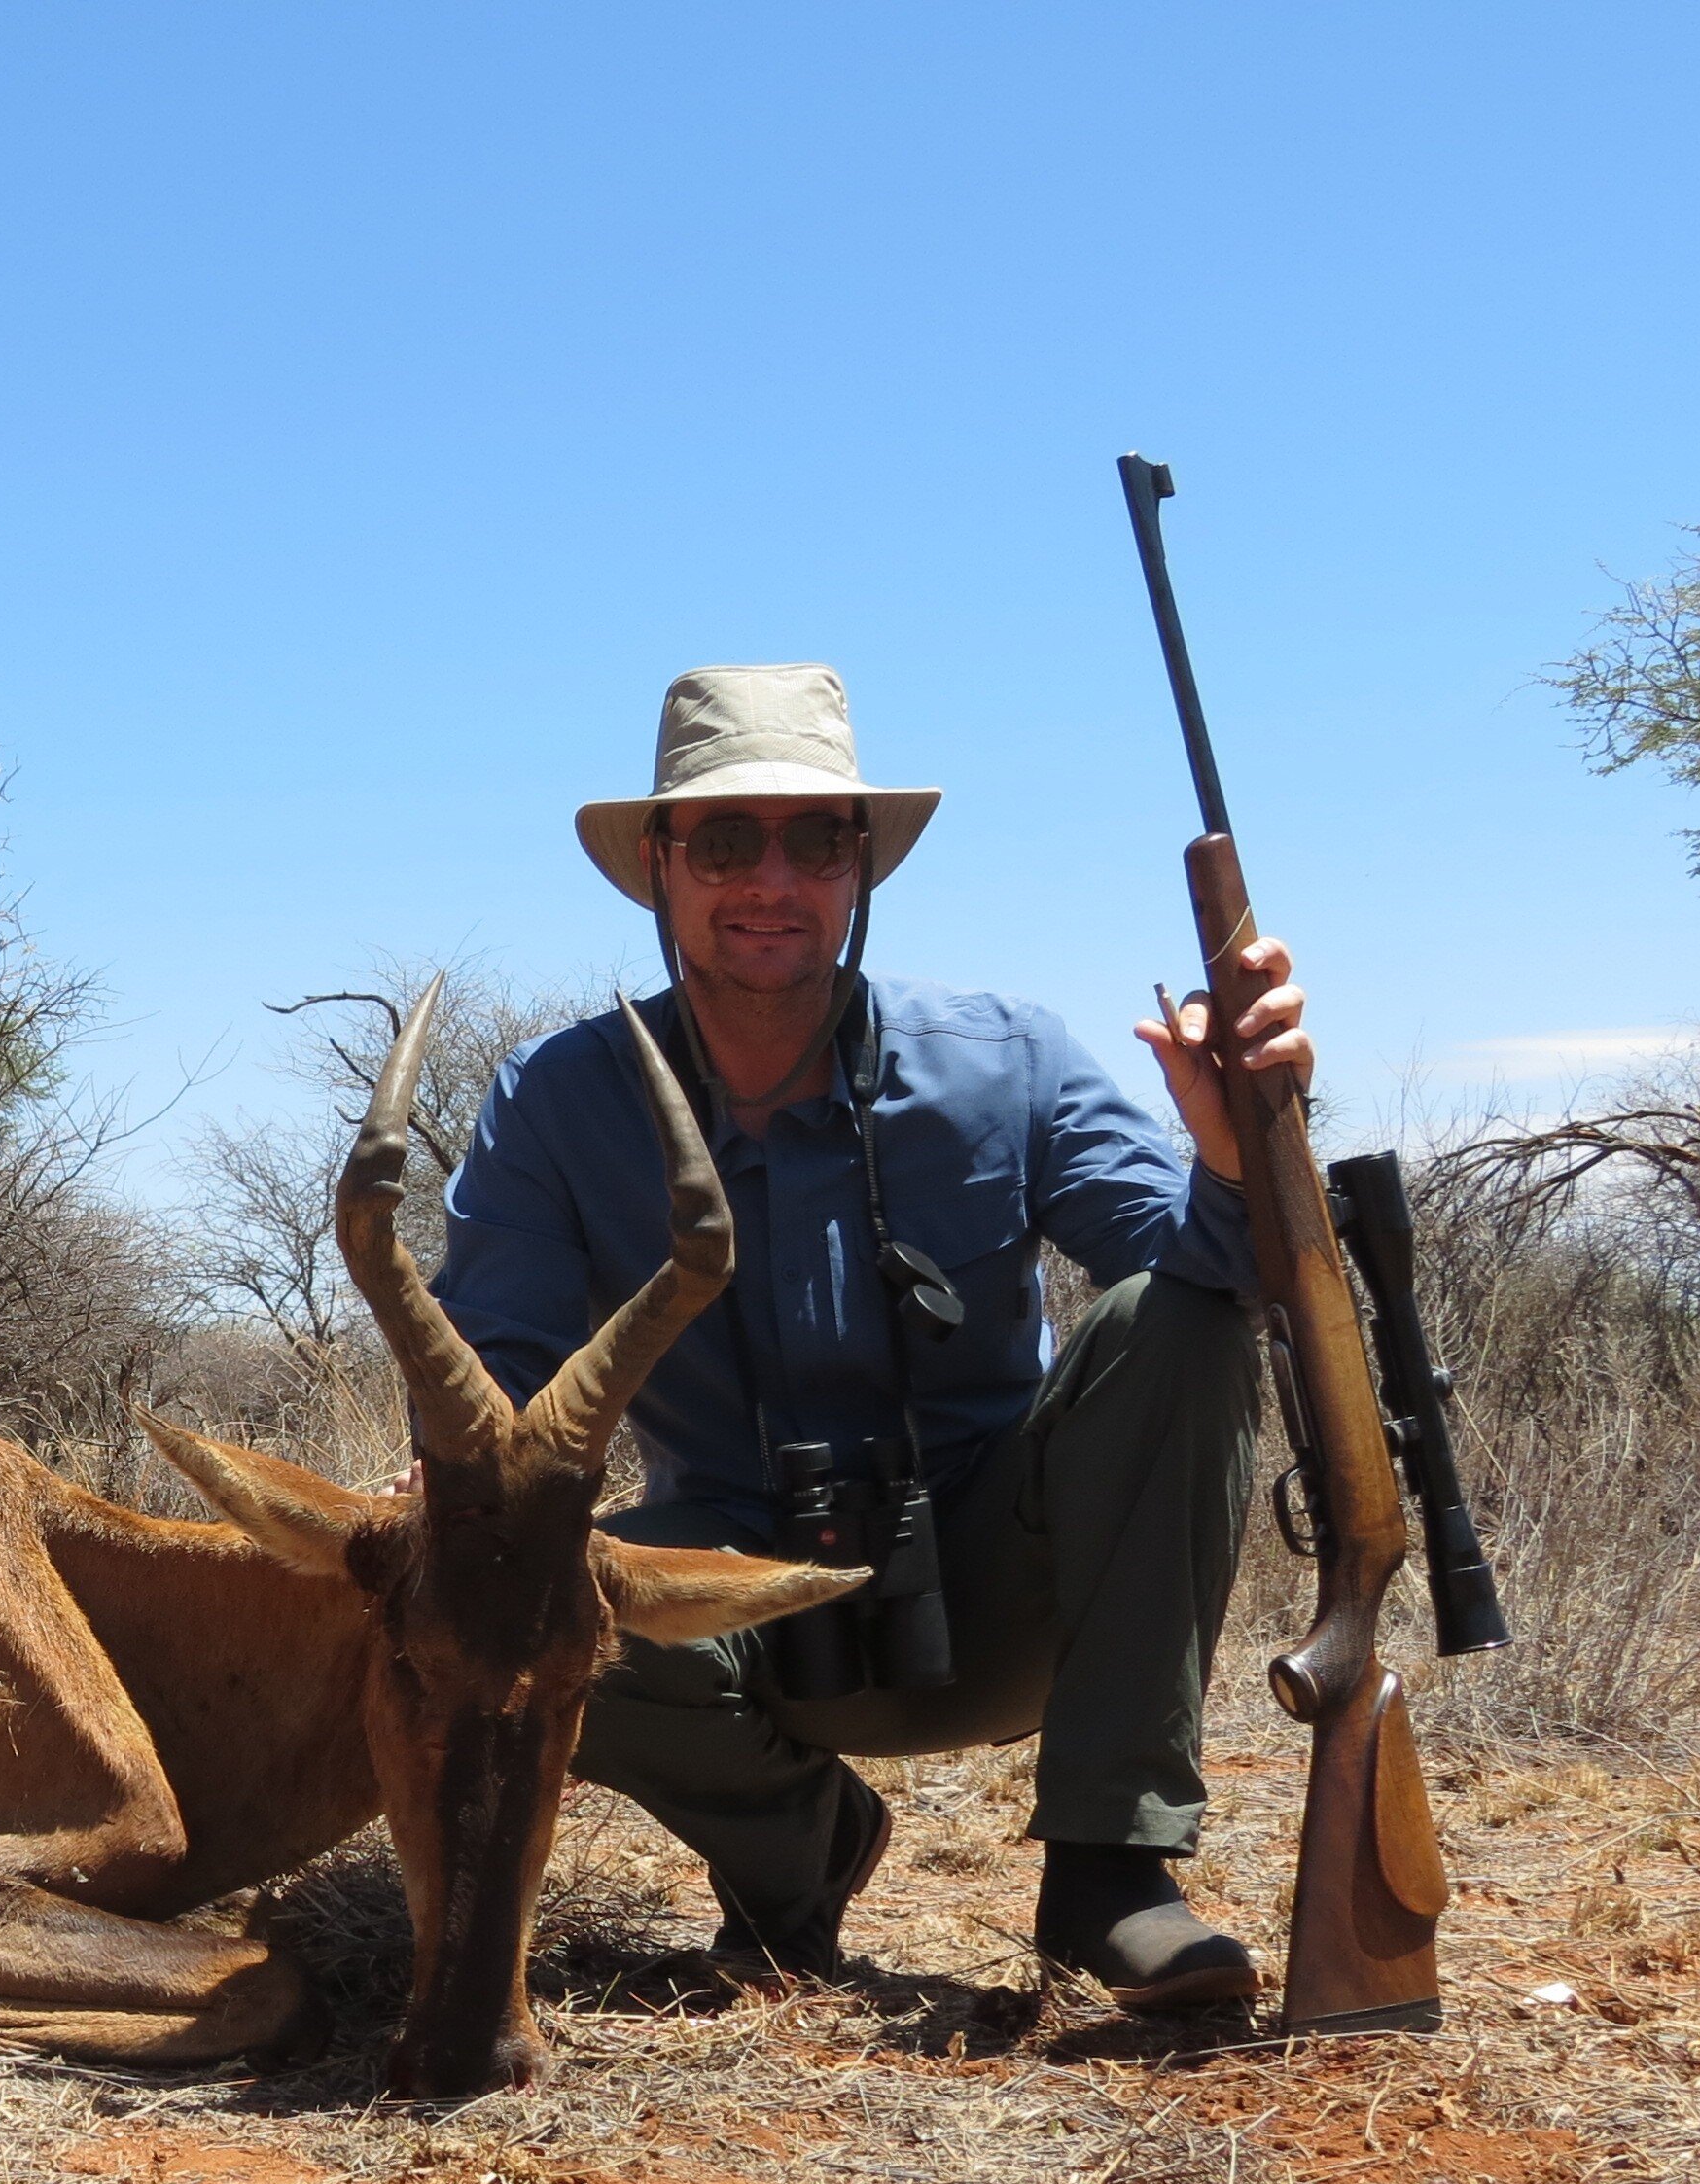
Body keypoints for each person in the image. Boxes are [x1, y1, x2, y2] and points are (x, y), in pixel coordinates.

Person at [429, 663, 1311, 2007]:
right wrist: (456, 1493)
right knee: (490, 1600)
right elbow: (501, 1365)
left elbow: (1219, 1275)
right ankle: (798, 1858)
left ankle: (1111, 1873)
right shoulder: (556, 1100)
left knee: (1175, 1323)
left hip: (1002, 1588)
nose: (769, 880)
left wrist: (1242, 1158)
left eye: (815, 841)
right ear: (659, 867)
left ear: (861, 867)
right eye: (724, 841)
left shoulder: (1007, 1054)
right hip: (728, 1602)